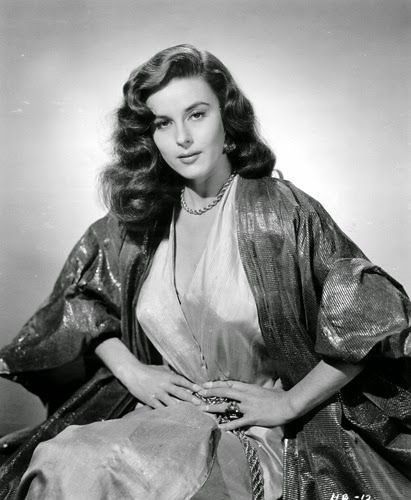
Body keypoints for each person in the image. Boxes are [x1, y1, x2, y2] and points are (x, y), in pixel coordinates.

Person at [0, 44, 410, 500]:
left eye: (196, 115)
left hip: (255, 432)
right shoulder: (139, 220)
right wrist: (134, 371)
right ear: (148, 137)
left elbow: (373, 314)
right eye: (163, 123)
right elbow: (84, 305)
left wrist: (289, 402)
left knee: (107, 470)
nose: (182, 138)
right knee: (64, 461)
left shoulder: (279, 211)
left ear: (228, 122)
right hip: (162, 419)